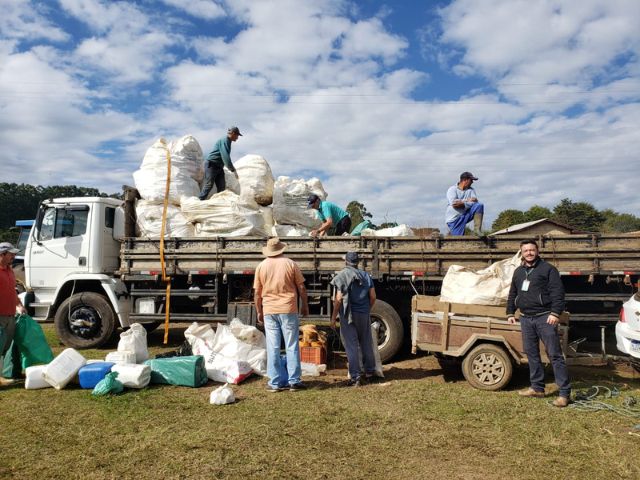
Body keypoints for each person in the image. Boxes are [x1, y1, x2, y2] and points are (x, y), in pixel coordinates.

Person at [506, 239, 571, 408]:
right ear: (521, 252)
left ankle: (564, 393)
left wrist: (555, 313)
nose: (529, 252)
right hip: (526, 318)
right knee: (532, 354)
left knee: (554, 355)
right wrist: (510, 312)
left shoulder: (548, 269)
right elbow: (513, 293)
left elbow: (558, 292)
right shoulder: (519, 272)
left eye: (532, 250)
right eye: (525, 250)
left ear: (537, 251)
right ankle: (537, 388)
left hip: (545, 318)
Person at [254, 237, 309, 392]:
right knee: (291, 345)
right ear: (281, 249)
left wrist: (259, 311)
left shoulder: (261, 266)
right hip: (288, 309)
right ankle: (294, 381)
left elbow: (257, 293)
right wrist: (304, 306)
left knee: (273, 346)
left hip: (269, 310)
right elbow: (302, 288)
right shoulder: (290, 263)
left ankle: (275, 382)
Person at [330, 252, 377, 387]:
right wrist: (367, 309)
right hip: (363, 314)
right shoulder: (366, 275)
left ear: (346, 262)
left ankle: (355, 377)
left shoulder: (342, 275)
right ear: (358, 262)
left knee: (351, 346)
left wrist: (334, 317)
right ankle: (370, 373)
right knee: (366, 342)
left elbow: (338, 299)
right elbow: (373, 296)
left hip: (348, 315)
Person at [0, 242, 27, 386]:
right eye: (11, 254)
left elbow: (11, 291)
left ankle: (2, 374)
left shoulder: (10, 271)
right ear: (2, 254)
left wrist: (19, 305)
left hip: (10, 314)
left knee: (5, 346)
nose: (14, 256)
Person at [198, 126, 242, 200]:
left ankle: (219, 203)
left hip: (219, 167)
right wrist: (232, 169)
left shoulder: (228, 141)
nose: (237, 137)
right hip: (212, 164)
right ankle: (199, 201)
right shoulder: (225, 140)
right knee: (209, 185)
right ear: (233, 133)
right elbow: (225, 156)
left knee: (222, 187)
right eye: (237, 135)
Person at [445, 171, 484, 235]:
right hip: (454, 220)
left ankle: (477, 231)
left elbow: (475, 202)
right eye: (471, 180)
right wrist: (467, 200)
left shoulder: (471, 190)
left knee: (479, 205)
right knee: (458, 240)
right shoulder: (452, 189)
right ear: (465, 180)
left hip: (465, 214)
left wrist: (463, 203)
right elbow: (454, 204)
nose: (472, 182)